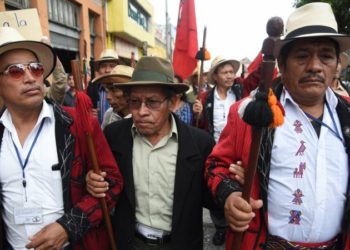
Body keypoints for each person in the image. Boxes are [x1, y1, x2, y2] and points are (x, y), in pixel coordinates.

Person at [205, 2, 350, 249]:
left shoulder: (346, 114)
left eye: (326, 56)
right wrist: (230, 196)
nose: (315, 66)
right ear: (281, 65)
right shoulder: (248, 113)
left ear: (337, 65)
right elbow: (215, 166)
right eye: (302, 56)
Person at [0, 27, 123, 249]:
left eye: (36, 69)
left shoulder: (79, 124)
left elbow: (112, 181)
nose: (30, 78)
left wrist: (69, 227)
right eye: (16, 70)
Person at [86, 56, 218, 250]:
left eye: (152, 102)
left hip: (179, 244)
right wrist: (92, 179)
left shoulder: (199, 143)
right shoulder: (115, 136)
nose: (141, 111)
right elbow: (105, 179)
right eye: (134, 101)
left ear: (172, 102)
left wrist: (229, 186)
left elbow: (212, 198)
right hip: (130, 243)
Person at [192, 55, 260, 245]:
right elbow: (200, 126)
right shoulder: (205, 98)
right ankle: (221, 226)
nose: (230, 76)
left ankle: (238, 223)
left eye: (232, 72)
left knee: (240, 188)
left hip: (236, 151)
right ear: (216, 76)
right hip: (214, 150)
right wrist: (197, 113)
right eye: (225, 72)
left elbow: (257, 76)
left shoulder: (241, 92)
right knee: (216, 189)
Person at [92, 65, 134, 129]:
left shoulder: (142, 120)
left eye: (114, 90)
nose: (107, 97)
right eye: (107, 91)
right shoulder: (109, 114)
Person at [87, 49, 119, 123]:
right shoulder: (91, 90)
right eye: (103, 66)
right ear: (98, 70)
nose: (107, 70)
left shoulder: (125, 91)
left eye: (112, 66)